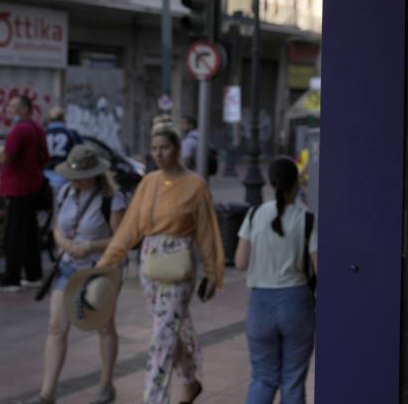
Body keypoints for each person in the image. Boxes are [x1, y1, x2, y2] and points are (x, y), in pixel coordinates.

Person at [97, 117, 224, 404]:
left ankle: (154, 398)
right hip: (150, 263)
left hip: (179, 265)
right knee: (168, 329)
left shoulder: (195, 185)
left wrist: (213, 273)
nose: (158, 154)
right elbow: (131, 226)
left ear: (178, 148)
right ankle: (189, 381)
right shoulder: (149, 183)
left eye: (164, 147)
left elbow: (207, 231)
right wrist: (108, 260)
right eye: (154, 148)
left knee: (161, 336)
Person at [23, 145, 127, 404]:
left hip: (100, 270)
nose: (77, 180)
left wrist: (88, 247)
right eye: (74, 174)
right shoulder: (67, 192)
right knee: (56, 327)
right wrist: (65, 243)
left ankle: (105, 385)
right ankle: (47, 393)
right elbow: (57, 227)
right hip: (68, 267)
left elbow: (121, 240)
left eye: (82, 174)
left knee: (103, 327)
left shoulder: (111, 198)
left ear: (96, 173)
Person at [235, 157, 318, 404]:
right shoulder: (307, 220)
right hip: (296, 303)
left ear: (271, 182)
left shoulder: (253, 215)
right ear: (296, 183)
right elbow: (319, 268)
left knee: (262, 378)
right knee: (292, 379)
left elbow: (240, 262)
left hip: (260, 304)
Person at [0, 95, 49, 291]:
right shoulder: (36, 129)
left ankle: (11, 277)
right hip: (32, 187)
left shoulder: (19, 130)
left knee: (13, 235)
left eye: (13, 106)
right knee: (29, 234)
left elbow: (6, 158)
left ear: (24, 109)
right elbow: (44, 158)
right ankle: (33, 274)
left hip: (16, 189)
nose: (9, 109)